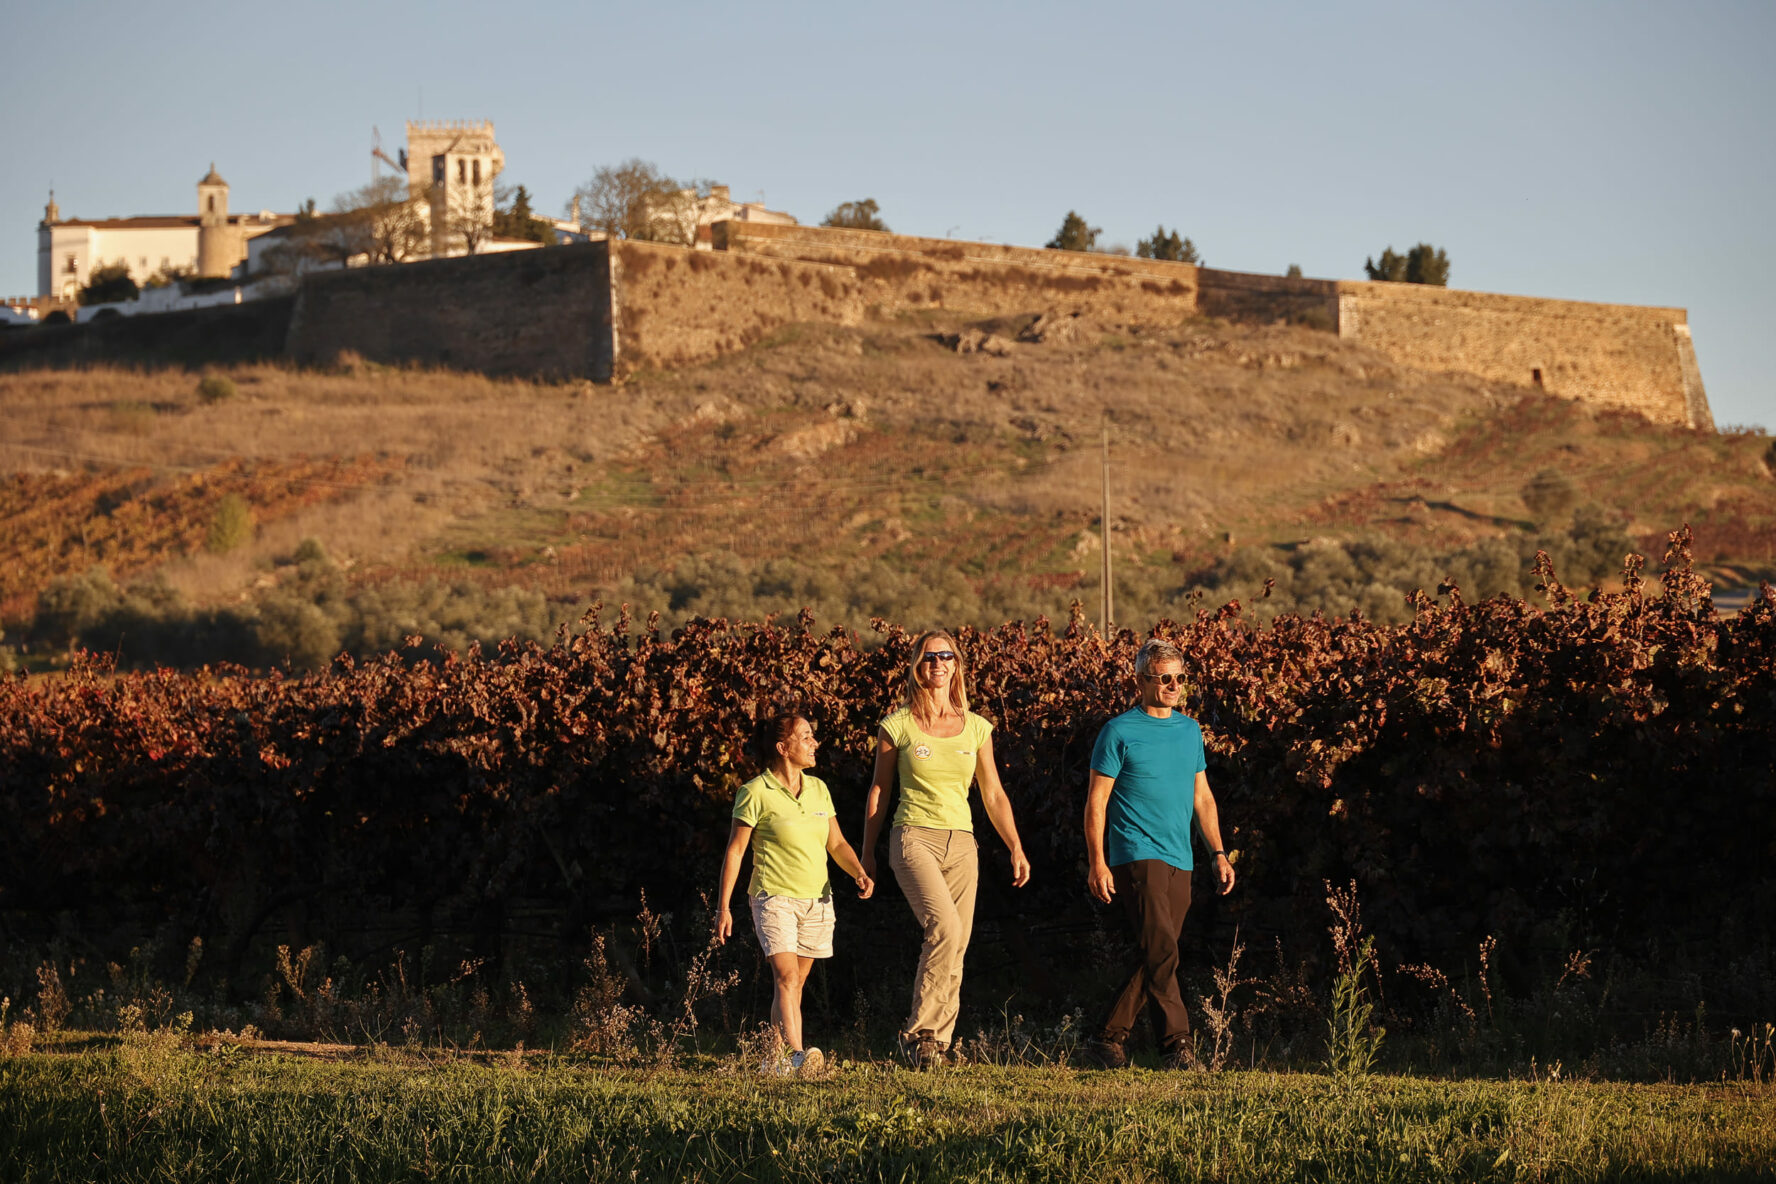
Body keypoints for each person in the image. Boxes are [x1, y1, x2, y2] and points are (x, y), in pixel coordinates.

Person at [861, 629, 1031, 1069]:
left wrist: (1014, 845)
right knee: (945, 930)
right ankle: (917, 1033)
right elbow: (879, 791)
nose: (937, 663)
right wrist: (867, 851)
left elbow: (992, 794)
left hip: (962, 842)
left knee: (957, 943)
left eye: (946, 656)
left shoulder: (976, 728)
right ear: (917, 667)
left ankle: (935, 1046)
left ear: (957, 665)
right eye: (928, 656)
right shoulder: (895, 725)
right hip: (913, 835)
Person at [1083, 637, 1236, 1070]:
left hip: (1181, 856)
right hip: (1135, 851)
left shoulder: (1189, 730)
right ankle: (1177, 1046)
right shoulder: (1118, 731)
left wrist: (1218, 853)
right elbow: (1096, 801)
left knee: (1156, 949)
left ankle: (1106, 1038)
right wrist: (1097, 861)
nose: (1174, 686)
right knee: (1163, 951)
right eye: (1164, 678)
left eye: (1180, 678)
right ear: (1142, 681)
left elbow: (1202, 797)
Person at [716, 711, 873, 1076]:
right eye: (806, 737)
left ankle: (774, 1061)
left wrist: (859, 872)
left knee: (794, 984)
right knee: (786, 978)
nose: (814, 742)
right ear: (783, 748)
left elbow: (836, 842)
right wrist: (723, 907)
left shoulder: (818, 788)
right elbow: (736, 851)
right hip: (774, 898)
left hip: (817, 899)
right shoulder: (754, 792)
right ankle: (799, 1056)